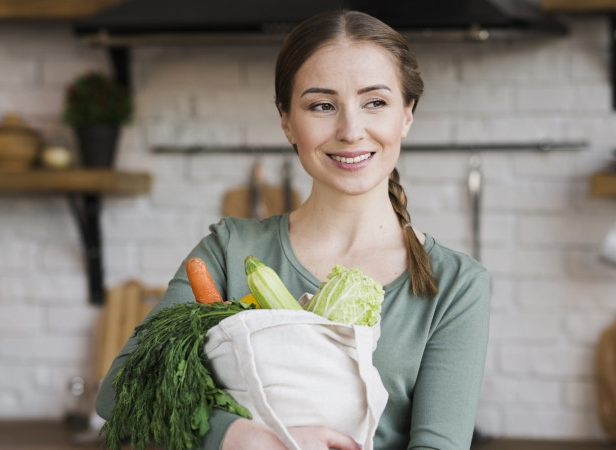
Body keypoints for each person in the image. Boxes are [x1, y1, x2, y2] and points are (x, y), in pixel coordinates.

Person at [96, 9, 490, 450]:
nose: (350, 130)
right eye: (322, 105)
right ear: (287, 122)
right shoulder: (228, 251)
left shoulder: (456, 284)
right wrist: (240, 437)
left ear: (407, 115)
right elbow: (119, 391)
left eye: (375, 102)